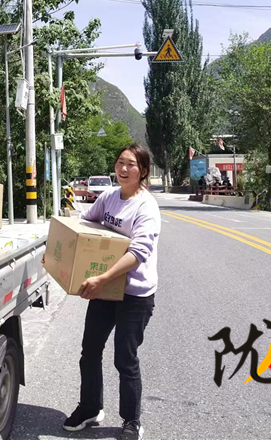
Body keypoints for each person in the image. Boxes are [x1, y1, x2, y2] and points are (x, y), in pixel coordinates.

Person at [62, 143, 160, 440]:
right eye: (120, 163)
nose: (123, 169)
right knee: (90, 350)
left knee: (124, 358)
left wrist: (102, 278)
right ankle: (90, 408)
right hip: (106, 292)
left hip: (135, 295)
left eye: (131, 164)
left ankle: (131, 421)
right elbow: (87, 226)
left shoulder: (146, 207)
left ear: (143, 171)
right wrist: (62, 254)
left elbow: (138, 252)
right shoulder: (108, 197)